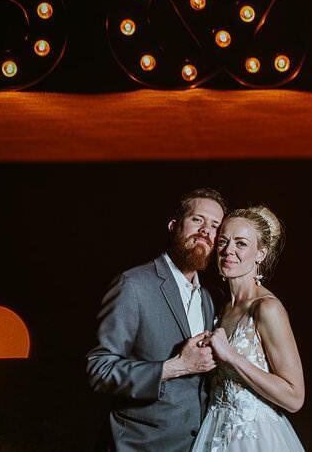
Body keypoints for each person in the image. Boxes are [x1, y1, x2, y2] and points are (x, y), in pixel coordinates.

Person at [86, 188, 227, 451]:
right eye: (197, 219)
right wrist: (175, 367)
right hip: (141, 444)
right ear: (174, 226)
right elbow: (99, 370)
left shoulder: (208, 297)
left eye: (215, 226)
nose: (205, 231)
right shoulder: (133, 285)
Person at [191, 205, 305, 451]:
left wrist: (232, 357)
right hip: (214, 432)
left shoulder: (267, 308)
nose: (228, 250)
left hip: (255, 437)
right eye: (223, 241)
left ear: (260, 254)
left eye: (241, 243)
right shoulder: (221, 307)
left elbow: (295, 398)